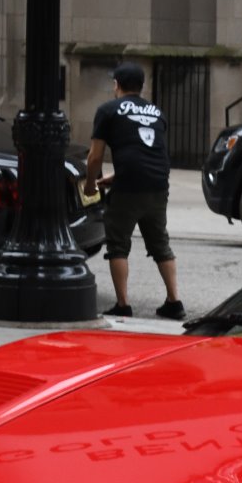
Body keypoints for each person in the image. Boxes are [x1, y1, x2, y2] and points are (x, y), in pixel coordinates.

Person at [87, 62, 183, 319]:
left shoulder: (107, 110)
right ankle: (174, 302)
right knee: (161, 244)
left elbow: (94, 157)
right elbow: (148, 152)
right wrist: (114, 177)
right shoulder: (157, 112)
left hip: (128, 188)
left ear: (116, 85)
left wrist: (90, 184)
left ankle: (123, 304)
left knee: (118, 245)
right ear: (142, 87)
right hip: (158, 185)